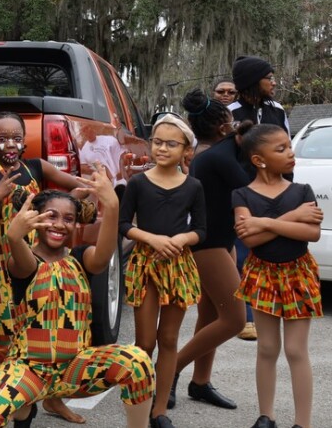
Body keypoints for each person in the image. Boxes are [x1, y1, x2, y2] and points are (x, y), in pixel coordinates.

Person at [0, 168, 155, 428]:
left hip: (75, 368)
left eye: (68, 218)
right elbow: (19, 254)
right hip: (30, 369)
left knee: (138, 362)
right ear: (35, 218)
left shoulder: (80, 258)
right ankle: (24, 411)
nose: (59, 224)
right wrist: (13, 235)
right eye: (50, 216)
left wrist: (112, 207)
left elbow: (104, 255)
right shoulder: (26, 262)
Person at [0, 111, 91, 425]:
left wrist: (78, 196)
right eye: (1, 139)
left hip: (43, 262)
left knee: (50, 328)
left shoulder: (36, 167)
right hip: (6, 263)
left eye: (16, 137)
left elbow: (72, 187)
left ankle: (54, 400)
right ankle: (15, 399)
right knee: (8, 331)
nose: (10, 144)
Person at [232, 123, 322, 428]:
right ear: (259, 159)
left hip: (298, 272)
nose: (290, 152)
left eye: (289, 146)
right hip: (262, 274)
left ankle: (303, 423)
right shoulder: (242, 194)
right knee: (267, 348)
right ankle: (266, 416)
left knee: (297, 350)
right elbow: (249, 239)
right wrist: (291, 217)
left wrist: (265, 223)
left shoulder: (301, 191)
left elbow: (312, 232)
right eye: (281, 148)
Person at [120, 114, 205, 428]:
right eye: (157, 142)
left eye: (171, 144)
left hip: (177, 266)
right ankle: (138, 400)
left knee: (168, 338)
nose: (162, 148)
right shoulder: (139, 182)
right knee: (145, 342)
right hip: (146, 263)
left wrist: (182, 238)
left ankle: (160, 411)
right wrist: (151, 238)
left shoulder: (193, 186)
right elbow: (124, 224)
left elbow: (201, 230)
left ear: (186, 151)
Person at [170, 90, 246, 411]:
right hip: (208, 245)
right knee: (235, 320)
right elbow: (251, 185)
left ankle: (200, 383)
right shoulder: (217, 157)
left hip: (220, 241)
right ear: (223, 126)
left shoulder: (212, 153)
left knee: (211, 314)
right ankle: (170, 369)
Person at [229, 56, 289, 133]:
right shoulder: (230, 112)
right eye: (270, 78)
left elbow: (287, 142)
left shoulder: (277, 109)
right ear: (252, 81)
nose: (274, 83)